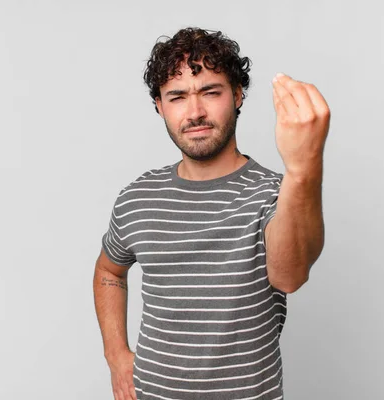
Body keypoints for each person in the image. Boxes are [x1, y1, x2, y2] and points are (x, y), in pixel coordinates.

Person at [93, 27, 330, 400]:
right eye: (177, 97)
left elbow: (289, 276)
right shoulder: (138, 197)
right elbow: (109, 269)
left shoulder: (275, 194)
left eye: (210, 92)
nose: (195, 112)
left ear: (237, 95)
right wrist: (116, 356)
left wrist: (303, 168)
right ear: (159, 106)